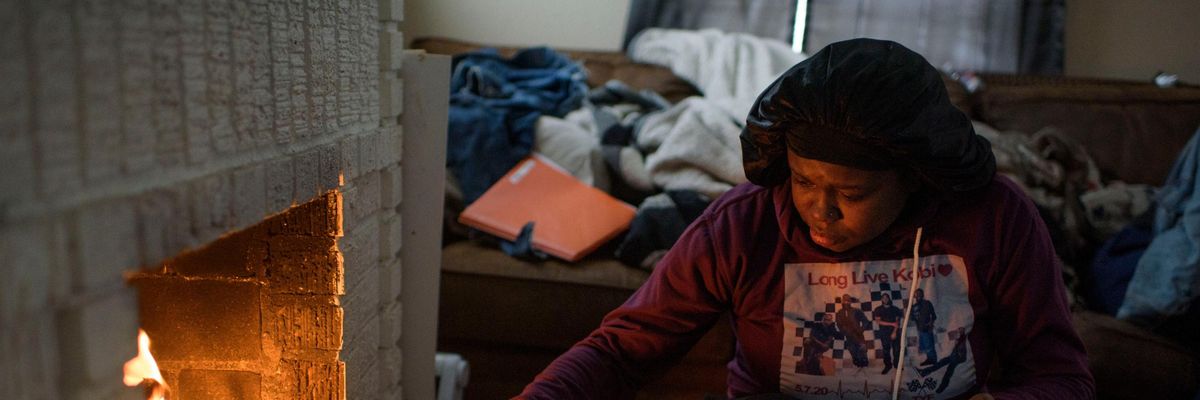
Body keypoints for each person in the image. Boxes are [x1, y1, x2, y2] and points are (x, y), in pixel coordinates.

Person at [517, 38, 1094, 399]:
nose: (820, 209)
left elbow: (1063, 377)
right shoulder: (742, 226)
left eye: (853, 191)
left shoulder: (997, 219)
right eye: (804, 180)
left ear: (915, 177)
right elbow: (620, 351)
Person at [834, 294, 871, 368]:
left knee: (862, 350)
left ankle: (864, 364)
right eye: (845, 301)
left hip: (858, 334)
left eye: (848, 301)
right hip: (848, 335)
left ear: (850, 302)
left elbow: (865, 321)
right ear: (842, 302)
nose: (846, 303)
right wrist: (844, 331)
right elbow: (839, 324)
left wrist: (861, 329)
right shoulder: (839, 313)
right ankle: (857, 363)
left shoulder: (856, 311)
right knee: (852, 350)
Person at [873, 293, 903, 375]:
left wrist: (894, 331)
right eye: (883, 298)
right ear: (881, 300)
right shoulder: (878, 309)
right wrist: (891, 324)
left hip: (895, 332)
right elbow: (878, 321)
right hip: (884, 333)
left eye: (886, 298)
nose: (885, 299)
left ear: (889, 299)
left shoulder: (895, 309)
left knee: (897, 350)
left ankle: (897, 365)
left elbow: (897, 322)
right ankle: (888, 366)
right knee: (886, 351)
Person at [909, 288, 939, 365]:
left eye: (919, 293)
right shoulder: (913, 306)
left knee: (929, 345)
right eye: (916, 294)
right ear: (914, 296)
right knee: (925, 345)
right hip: (919, 329)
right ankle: (930, 359)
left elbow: (934, 316)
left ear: (922, 295)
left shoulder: (927, 303)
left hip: (927, 328)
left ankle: (932, 360)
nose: (918, 295)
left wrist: (931, 324)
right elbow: (912, 318)